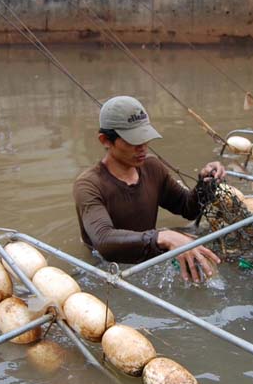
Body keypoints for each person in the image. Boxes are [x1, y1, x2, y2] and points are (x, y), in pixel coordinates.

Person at [73, 96, 225, 283]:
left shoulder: (152, 167)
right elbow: (104, 241)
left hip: (151, 250)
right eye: (133, 141)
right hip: (108, 269)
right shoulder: (89, 185)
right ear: (105, 140)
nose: (142, 148)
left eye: (145, 138)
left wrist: (206, 183)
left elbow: (187, 208)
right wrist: (164, 236)